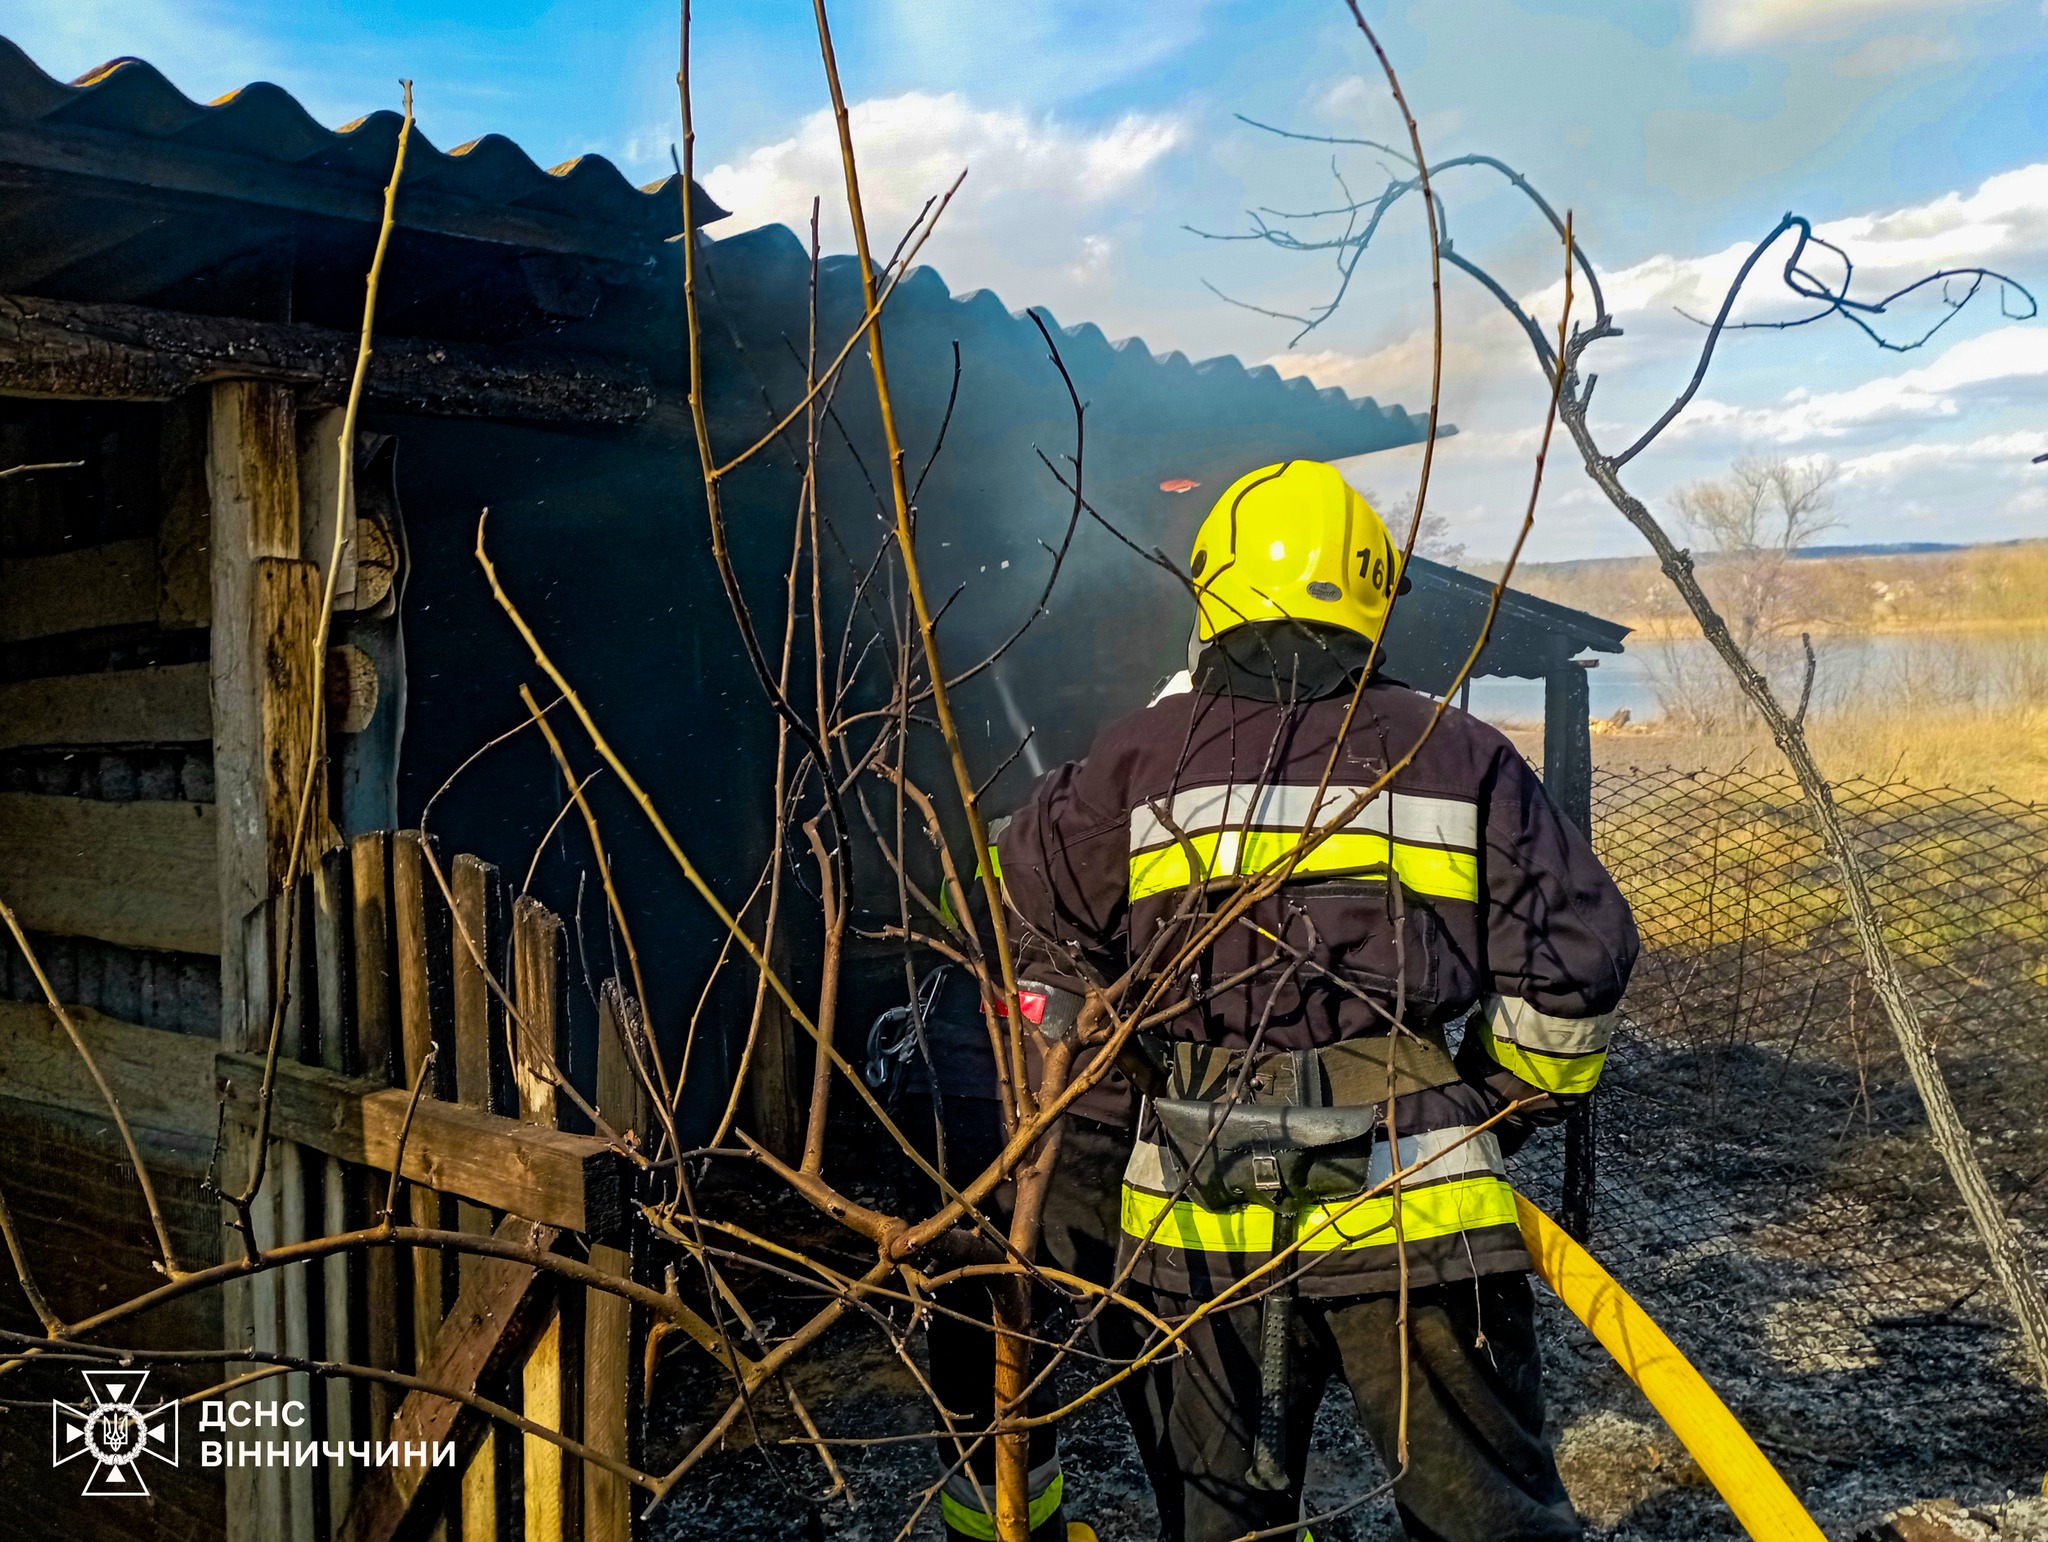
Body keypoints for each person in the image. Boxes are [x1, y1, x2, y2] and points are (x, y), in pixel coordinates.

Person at [988, 460, 1639, 1542]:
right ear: (1377, 597)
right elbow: (1575, 962)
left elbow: (1048, 966)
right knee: (1483, 1520)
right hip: (1416, 1214)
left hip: (1192, 1230)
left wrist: (1090, 1151)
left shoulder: (1132, 761)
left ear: (1209, 593)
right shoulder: (1457, 753)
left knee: (1217, 1522)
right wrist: (1494, 1101)